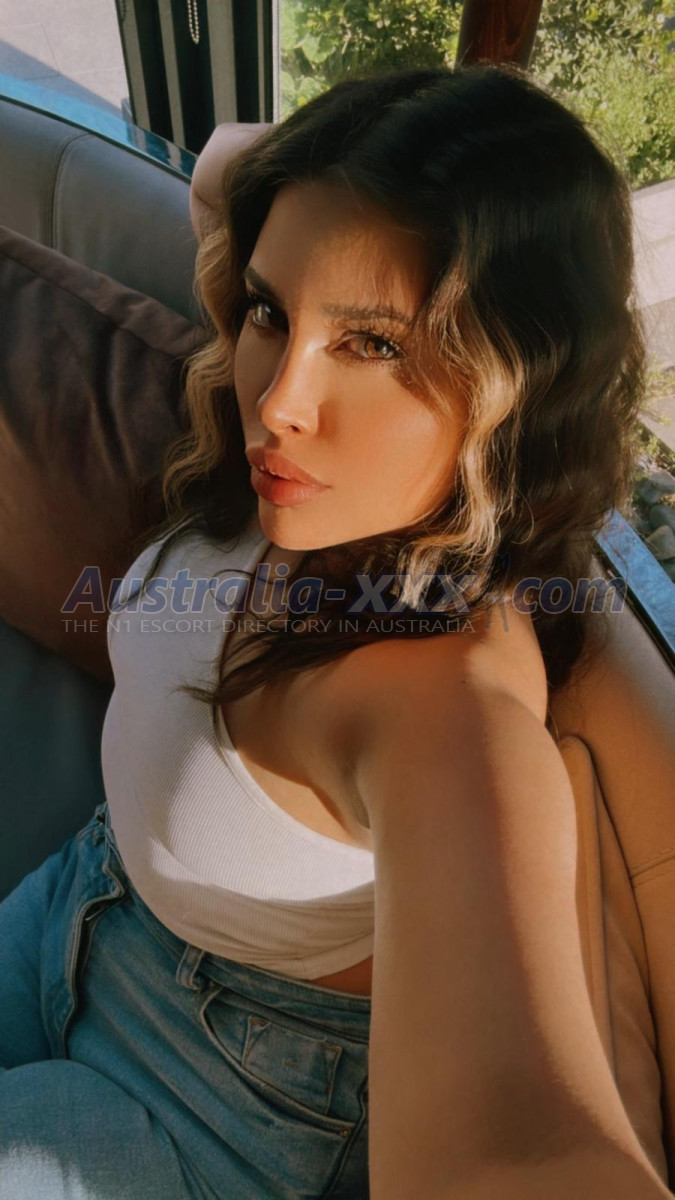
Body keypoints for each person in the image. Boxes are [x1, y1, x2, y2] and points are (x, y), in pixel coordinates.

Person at [0, 62, 671, 1200]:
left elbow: (513, 1152)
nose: (275, 402)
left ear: (522, 382)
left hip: (223, 1104)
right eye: (271, 311)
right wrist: (382, 149)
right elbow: (224, 166)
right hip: (84, 895)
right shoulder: (313, 490)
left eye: (374, 345)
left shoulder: (447, 704)